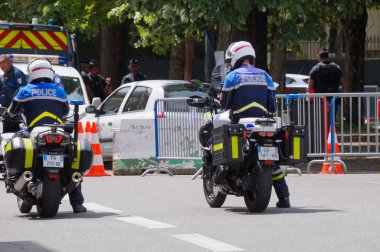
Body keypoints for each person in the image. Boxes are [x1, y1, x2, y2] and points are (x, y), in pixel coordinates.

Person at [6, 58, 87, 213]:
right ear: (50, 72)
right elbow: (65, 111)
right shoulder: (60, 91)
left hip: (33, 131)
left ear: (31, 73)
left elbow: (11, 111)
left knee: (12, 141)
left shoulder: (25, 90)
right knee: (71, 161)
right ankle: (77, 204)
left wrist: (9, 115)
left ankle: (13, 179)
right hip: (58, 132)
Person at [220, 41, 290, 208]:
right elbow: (272, 104)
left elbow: (225, 105)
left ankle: (227, 174)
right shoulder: (265, 75)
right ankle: (285, 198)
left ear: (236, 57)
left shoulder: (233, 76)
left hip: (241, 122)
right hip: (264, 123)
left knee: (225, 147)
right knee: (273, 164)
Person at [0, 54, 27, 133]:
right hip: (6, 113)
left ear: (10, 62)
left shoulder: (17, 74)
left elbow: (23, 93)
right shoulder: (2, 77)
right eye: (0, 63)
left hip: (16, 114)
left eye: (4, 62)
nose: (1, 65)